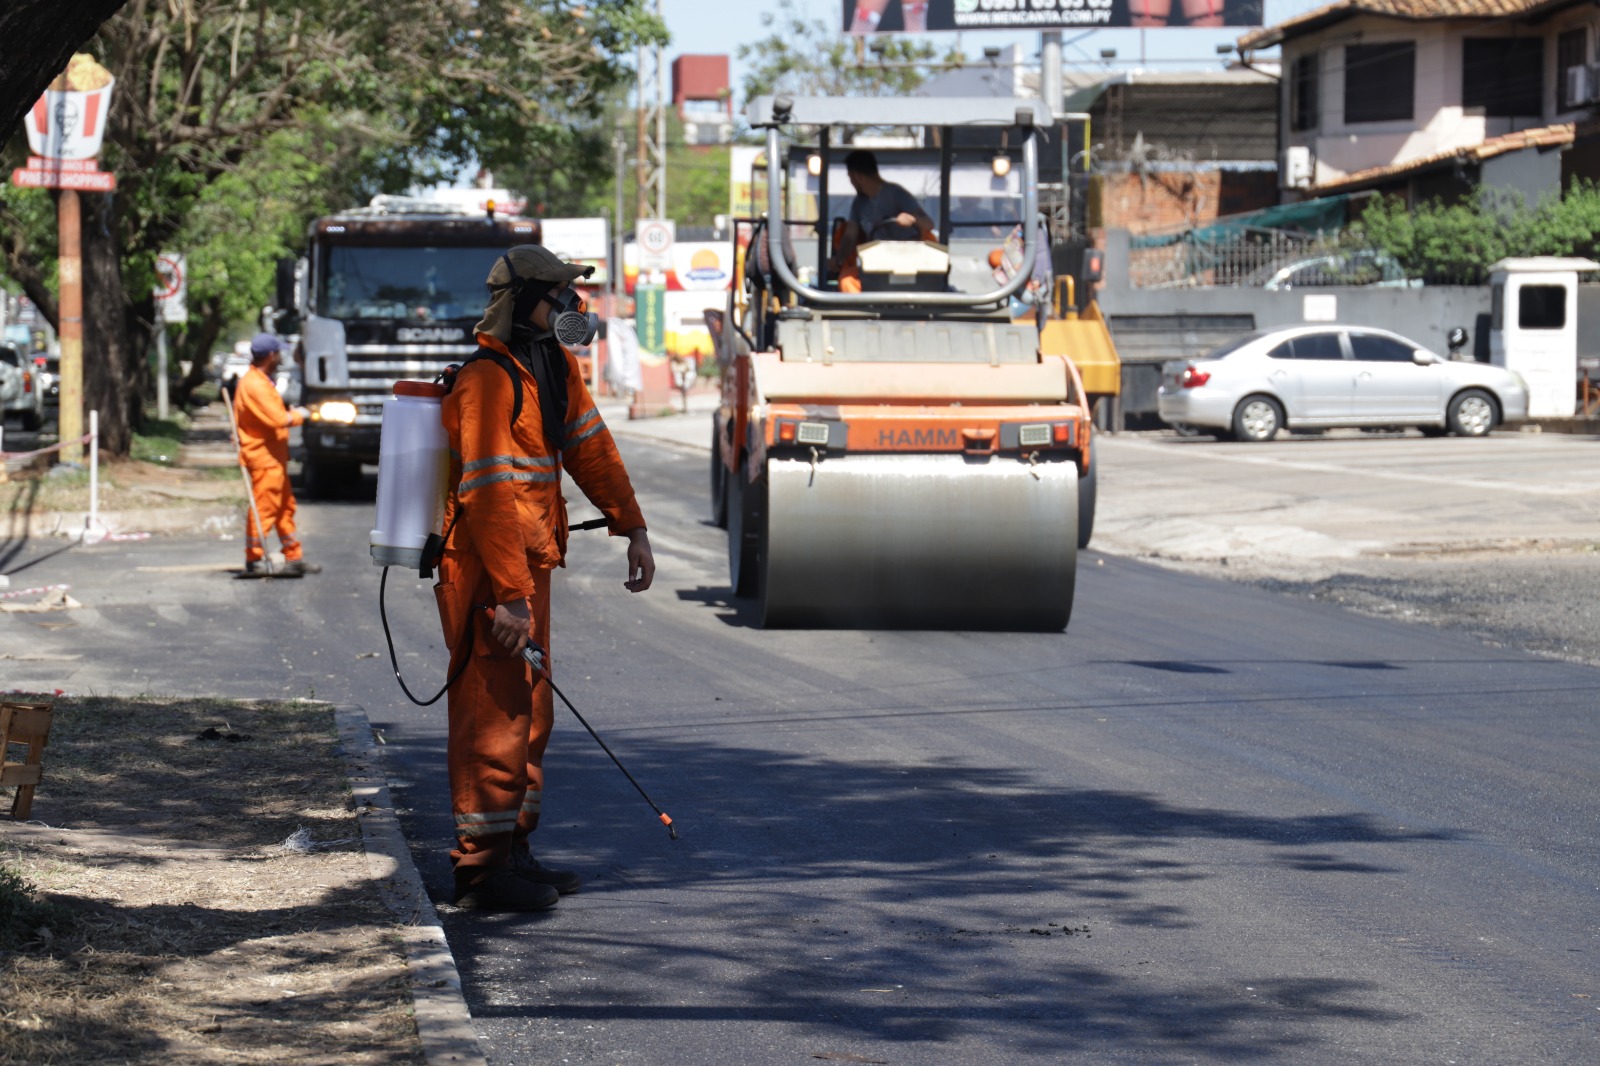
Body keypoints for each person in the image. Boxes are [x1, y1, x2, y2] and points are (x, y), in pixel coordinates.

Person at [436, 244, 655, 912]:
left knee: (531, 711)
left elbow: (592, 447)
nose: (570, 307)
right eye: (558, 294)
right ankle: (479, 870)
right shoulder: (486, 380)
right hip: (485, 574)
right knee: (493, 714)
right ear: (522, 300)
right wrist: (508, 594)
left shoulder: (550, 367)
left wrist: (633, 525)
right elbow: (490, 495)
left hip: (526, 571)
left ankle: (513, 849)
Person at [233, 333, 318, 575]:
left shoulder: (260, 380)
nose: (281, 356)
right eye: (279, 352)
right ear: (271, 355)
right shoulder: (255, 384)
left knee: (283, 507)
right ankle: (255, 559)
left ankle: (293, 556)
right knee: (264, 508)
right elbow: (278, 419)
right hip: (263, 458)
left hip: (273, 458)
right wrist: (302, 414)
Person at [830, 149, 937, 293]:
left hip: (908, 260)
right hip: (876, 263)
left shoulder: (896, 194)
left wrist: (912, 219)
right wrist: (838, 259)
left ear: (858, 176)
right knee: (847, 280)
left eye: (850, 177)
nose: (851, 182)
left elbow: (928, 224)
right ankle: (861, 314)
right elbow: (850, 236)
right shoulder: (859, 204)